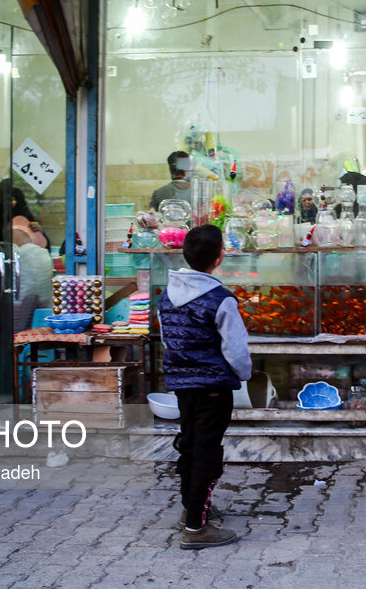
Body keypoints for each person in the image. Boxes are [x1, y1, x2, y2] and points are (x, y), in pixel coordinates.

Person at [158, 224, 251, 550]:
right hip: (213, 386)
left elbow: (169, 341)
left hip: (183, 385)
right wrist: (243, 375)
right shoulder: (220, 299)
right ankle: (197, 527)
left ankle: (191, 509)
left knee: (190, 444)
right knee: (207, 453)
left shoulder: (165, 297)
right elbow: (236, 352)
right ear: (219, 257)